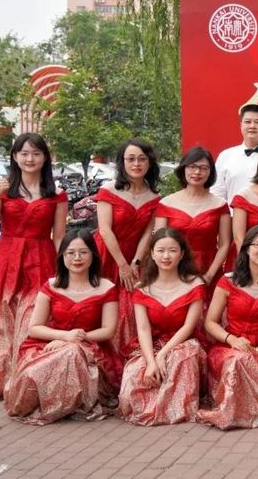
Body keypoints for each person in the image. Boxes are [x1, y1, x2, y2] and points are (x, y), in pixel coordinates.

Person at [0, 133, 68, 400]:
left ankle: (23, 379)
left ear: (45, 158)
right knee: (1, 321)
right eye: (24, 153)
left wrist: (65, 270)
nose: (29, 159)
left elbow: (59, 236)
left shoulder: (57, 194)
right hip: (6, 260)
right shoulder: (4, 189)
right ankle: (0, 379)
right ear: (15, 157)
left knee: (31, 320)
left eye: (36, 153)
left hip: (41, 260)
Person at [3, 230, 118, 425]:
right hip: (50, 344)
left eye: (83, 252)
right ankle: (46, 402)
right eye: (70, 253)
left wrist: (76, 339)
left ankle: (62, 405)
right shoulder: (51, 286)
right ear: (62, 256)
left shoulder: (106, 287)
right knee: (32, 374)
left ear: (93, 255)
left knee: (72, 352)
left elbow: (108, 330)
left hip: (91, 347)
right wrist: (64, 337)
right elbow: (34, 328)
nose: (77, 258)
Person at [198, 225, 258, 430]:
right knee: (237, 361)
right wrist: (232, 340)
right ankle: (232, 411)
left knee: (251, 362)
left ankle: (249, 411)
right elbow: (210, 322)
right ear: (246, 249)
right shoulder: (228, 281)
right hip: (230, 346)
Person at [119, 229, 206, 426]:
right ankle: (151, 406)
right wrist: (151, 361)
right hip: (152, 344)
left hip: (183, 342)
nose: (166, 256)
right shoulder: (142, 288)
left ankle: (174, 409)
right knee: (137, 372)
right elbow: (143, 329)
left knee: (181, 357)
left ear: (182, 254)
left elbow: (188, 327)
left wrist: (162, 355)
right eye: (161, 250)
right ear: (152, 254)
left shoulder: (195, 283)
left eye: (172, 250)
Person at [95, 139, 162, 362]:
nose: (136, 164)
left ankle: (126, 361)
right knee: (101, 306)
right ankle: (100, 362)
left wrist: (136, 262)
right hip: (107, 255)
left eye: (142, 159)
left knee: (131, 310)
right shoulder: (109, 190)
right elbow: (105, 230)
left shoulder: (154, 196)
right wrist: (122, 264)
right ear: (122, 162)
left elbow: (148, 234)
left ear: (149, 163)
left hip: (136, 258)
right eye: (131, 159)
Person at [153, 147, 231, 286]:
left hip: (209, 272)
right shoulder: (166, 203)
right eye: (192, 167)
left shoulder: (220, 205)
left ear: (210, 172)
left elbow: (224, 244)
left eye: (203, 168)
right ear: (183, 168)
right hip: (173, 272)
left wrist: (209, 276)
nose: (197, 172)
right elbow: (159, 243)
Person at [211, 104, 258, 203]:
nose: (252, 126)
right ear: (241, 125)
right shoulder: (225, 156)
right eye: (248, 122)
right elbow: (217, 192)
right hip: (232, 212)